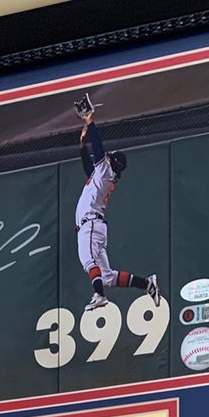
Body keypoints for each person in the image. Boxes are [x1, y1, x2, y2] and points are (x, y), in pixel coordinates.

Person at [73, 93, 161, 312]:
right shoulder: (103, 175)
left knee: (88, 262)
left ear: (112, 162)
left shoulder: (106, 170)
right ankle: (147, 283)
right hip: (94, 225)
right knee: (107, 276)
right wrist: (82, 148)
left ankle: (99, 295)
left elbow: (99, 146)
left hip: (90, 225)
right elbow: (88, 170)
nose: (105, 157)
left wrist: (90, 121)